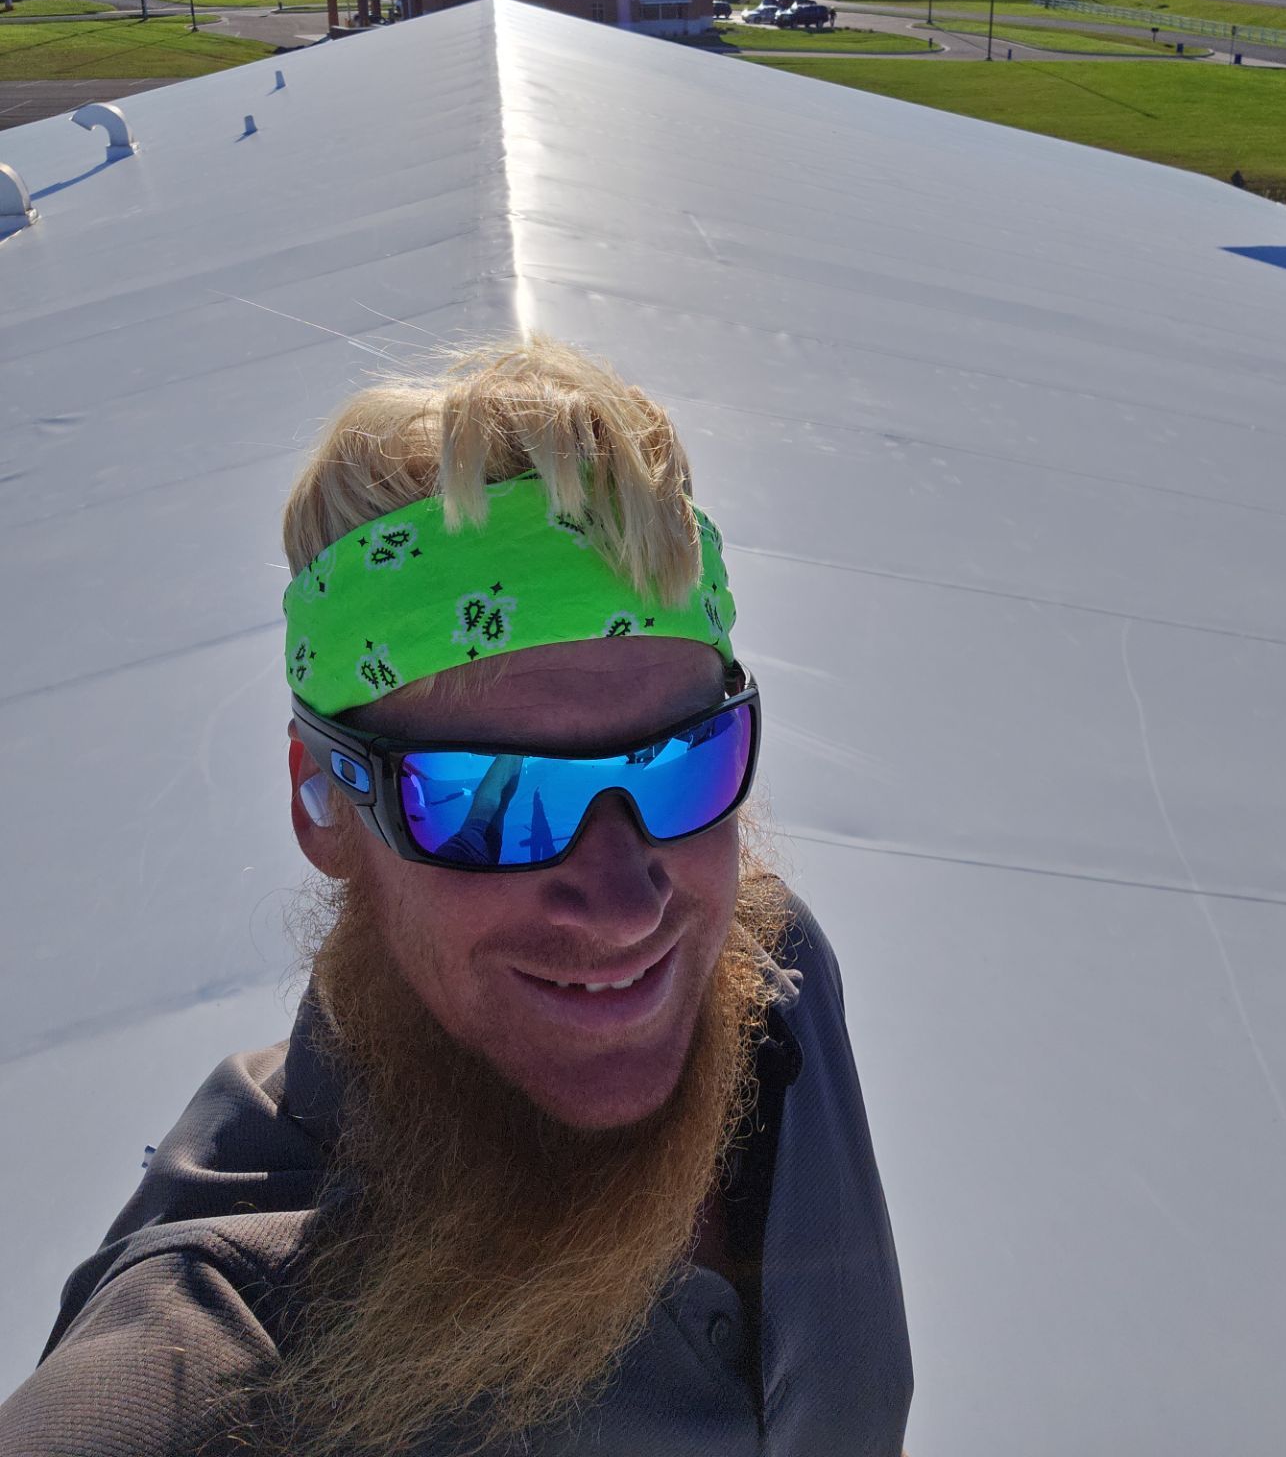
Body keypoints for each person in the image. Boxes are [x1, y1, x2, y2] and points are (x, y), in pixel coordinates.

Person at [2, 336, 912, 1457]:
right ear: (321, 804)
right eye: (491, 799)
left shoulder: (777, 984)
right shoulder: (223, 1362)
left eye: (681, 763)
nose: (628, 906)